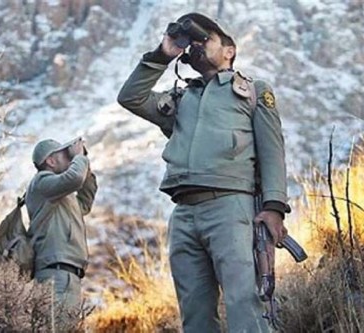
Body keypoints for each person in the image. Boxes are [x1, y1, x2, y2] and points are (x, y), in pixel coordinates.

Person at [117, 12, 288, 333]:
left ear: (229, 51)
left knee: (244, 303)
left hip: (231, 207)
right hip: (183, 213)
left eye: (205, 39)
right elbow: (131, 98)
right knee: (194, 312)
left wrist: (274, 207)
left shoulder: (252, 92)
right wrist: (162, 55)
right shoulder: (180, 99)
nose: (196, 44)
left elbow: (272, 151)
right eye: (192, 40)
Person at [25, 137, 97, 322]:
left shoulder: (60, 196)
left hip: (67, 275)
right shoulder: (42, 183)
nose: (70, 157)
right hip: (55, 275)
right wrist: (79, 158)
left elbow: (85, 202)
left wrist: (84, 164)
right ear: (50, 161)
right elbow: (74, 179)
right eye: (65, 154)